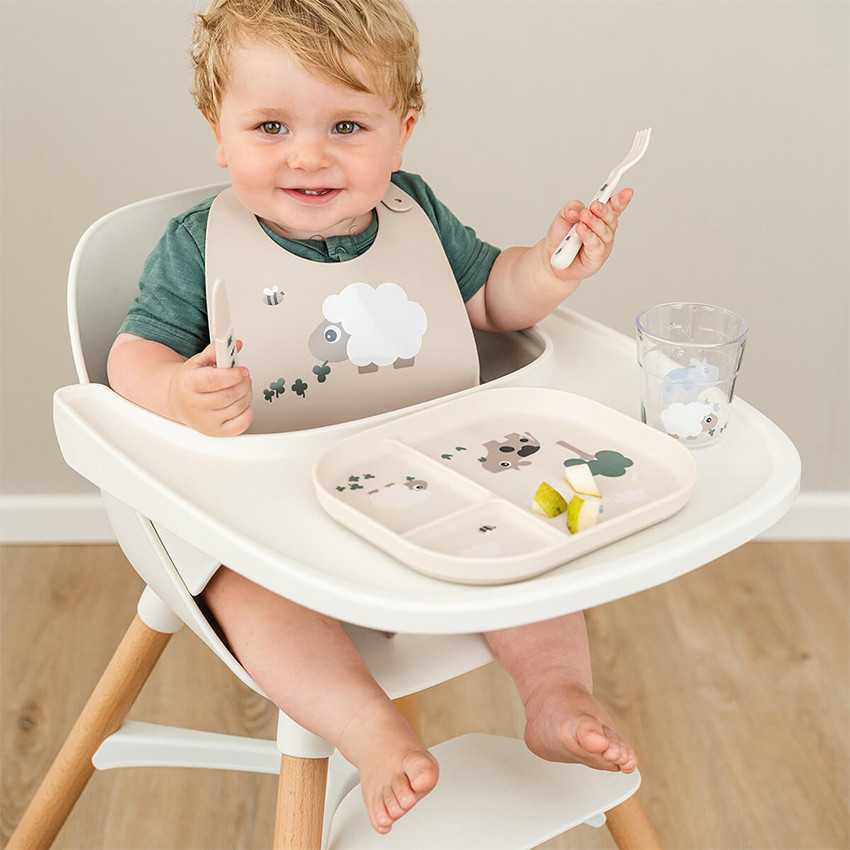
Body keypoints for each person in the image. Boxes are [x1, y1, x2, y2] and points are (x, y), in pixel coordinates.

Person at [107, 0, 637, 835]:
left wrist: (554, 265)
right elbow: (129, 356)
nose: (309, 155)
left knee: (531, 550)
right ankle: (367, 729)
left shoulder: (414, 214)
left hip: (430, 484)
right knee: (243, 594)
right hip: (270, 522)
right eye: (272, 126)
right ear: (220, 131)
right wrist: (176, 390)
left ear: (403, 132)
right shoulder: (195, 244)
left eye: (348, 124)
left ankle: (553, 691)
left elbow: (494, 299)